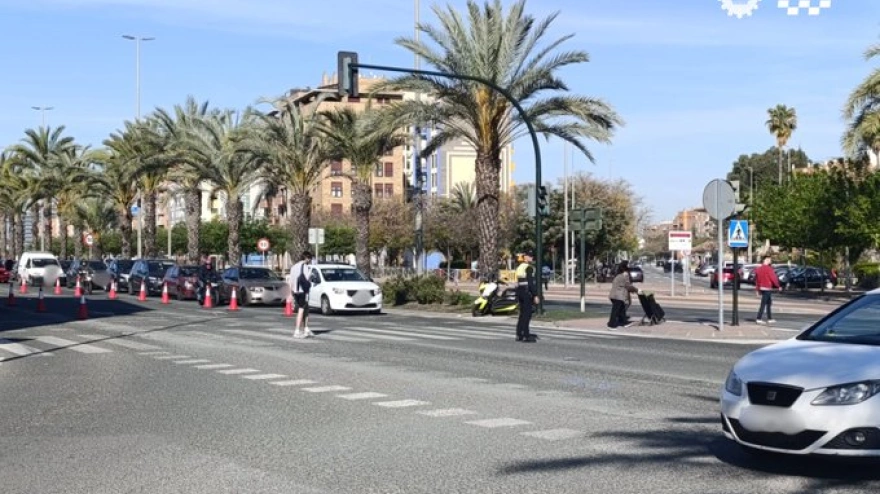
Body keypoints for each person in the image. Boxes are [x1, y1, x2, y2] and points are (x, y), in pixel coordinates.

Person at [514, 251, 539, 342]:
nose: (532, 258)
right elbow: (531, 283)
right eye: (530, 256)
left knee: (522, 314)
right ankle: (526, 335)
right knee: (527, 314)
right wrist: (535, 295)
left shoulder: (519, 267)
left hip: (520, 291)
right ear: (525, 257)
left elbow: (516, 282)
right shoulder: (529, 268)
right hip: (526, 292)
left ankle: (519, 334)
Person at [289, 251, 314, 338]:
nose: (310, 260)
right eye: (310, 258)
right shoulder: (305, 266)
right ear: (307, 258)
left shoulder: (294, 267)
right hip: (302, 291)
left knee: (306, 308)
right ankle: (297, 331)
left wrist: (290, 293)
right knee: (301, 309)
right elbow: (307, 279)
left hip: (295, 291)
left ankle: (306, 328)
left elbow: (291, 280)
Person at [608, 260, 638, 329]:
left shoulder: (619, 274)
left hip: (614, 295)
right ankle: (611, 324)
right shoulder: (625, 274)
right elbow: (628, 285)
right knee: (615, 311)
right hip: (618, 296)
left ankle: (623, 322)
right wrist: (637, 290)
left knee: (622, 309)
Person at [754, 256, 781, 325]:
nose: (770, 261)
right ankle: (758, 318)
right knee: (763, 304)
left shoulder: (758, 269)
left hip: (762, 288)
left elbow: (757, 280)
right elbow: (773, 278)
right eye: (769, 260)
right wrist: (778, 286)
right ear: (765, 260)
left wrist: (757, 290)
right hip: (767, 288)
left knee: (769, 303)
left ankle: (769, 318)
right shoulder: (769, 269)